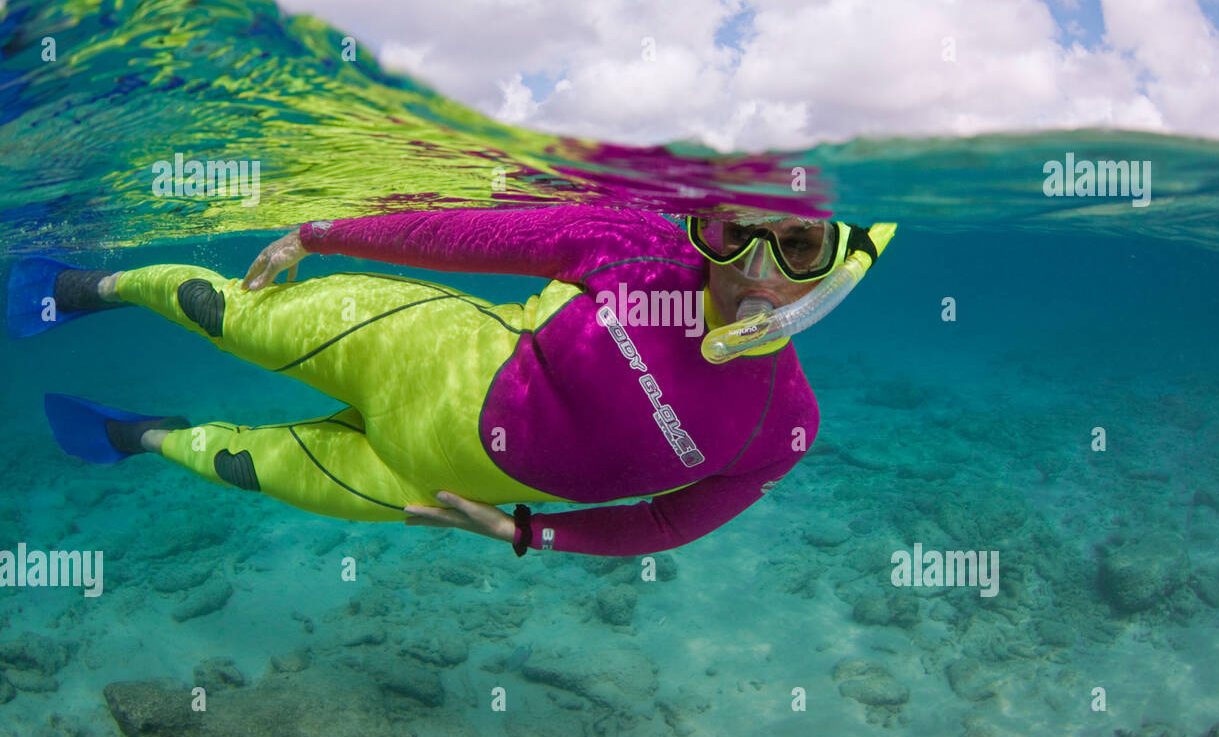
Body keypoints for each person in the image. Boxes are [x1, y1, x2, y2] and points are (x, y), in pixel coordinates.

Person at [8, 207, 893, 557]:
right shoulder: (639, 247)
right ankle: (82, 289)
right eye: (730, 230)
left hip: (420, 488)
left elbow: (668, 521)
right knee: (228, 316)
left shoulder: (783, 429)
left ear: (846, 264)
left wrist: (527, 533)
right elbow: (477, 238)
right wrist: (318, 235)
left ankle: (135, 435)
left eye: (798, 246)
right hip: (411, 348)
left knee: (237, 465)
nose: (747, 268)